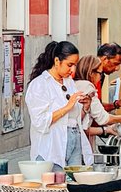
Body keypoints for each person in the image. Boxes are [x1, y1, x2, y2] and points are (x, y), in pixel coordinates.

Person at [25, 41, 92, 169]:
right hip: (51, 145)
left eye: (75, 65)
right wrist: (67, 107)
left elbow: (75, 119)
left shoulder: (69, 82)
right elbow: (39, 121)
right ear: (57, 61)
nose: (73, 70)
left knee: (74, 183)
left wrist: (86, 107)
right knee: (54, 185)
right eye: (69, 65)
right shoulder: (40, 84)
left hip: (74, 140)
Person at [74, 55, 121, 147]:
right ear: (91, 73)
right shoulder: (87, 86)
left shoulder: (75, 84)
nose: (100, 77)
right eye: (100, 73)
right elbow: (102, 118)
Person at [96, 42, 121, 112]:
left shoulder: (101, 75)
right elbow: (94, 110)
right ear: (104, 59)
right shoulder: (91, 75)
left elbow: (98, 107)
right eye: (115, 64)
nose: (117, 68)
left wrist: (117, 104)